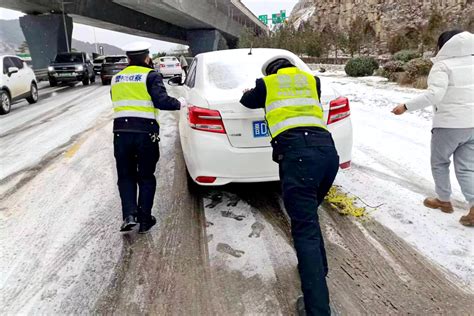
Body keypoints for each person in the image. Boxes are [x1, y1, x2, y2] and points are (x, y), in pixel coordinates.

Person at [240, 55, 339, 316]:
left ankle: (318, 310)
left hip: (299, 157)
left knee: (304, 229)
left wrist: (251, 90)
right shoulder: (312, 81)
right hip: (328, 154)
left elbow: (246, 102)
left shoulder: (267, 84)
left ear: (270, 71)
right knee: (309, 217)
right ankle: (318, 268)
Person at [392, 30, 474, 227]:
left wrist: (405, 106)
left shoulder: (442, 66)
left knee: (439, 162)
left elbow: (433, 96)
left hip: (449, 125)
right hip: (472, 125)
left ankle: (443, 200)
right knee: (466, 167)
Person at [111, 41, 186, 233]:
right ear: (147, 58)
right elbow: (161, 101)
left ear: (128, 59)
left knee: (126, 176)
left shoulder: (117, 78)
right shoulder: (151, 75)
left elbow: (116, 100)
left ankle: (129, 215)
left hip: (121, 133)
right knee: (145, 176)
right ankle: (144, 220)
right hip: (145, 133)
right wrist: (180, 103)